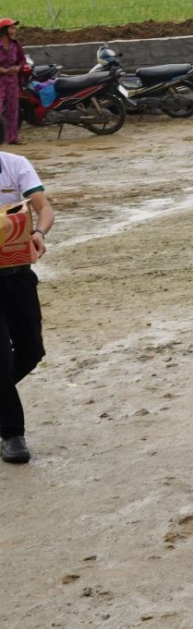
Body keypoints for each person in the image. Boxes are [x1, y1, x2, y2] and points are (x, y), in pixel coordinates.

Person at [0, 149, 54, 464]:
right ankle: (12, 433)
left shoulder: (15, 165)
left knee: (32, 350)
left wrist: (38, 232)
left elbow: (43, 207)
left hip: (18, 273)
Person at [0, 20, 25, 145]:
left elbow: (22, 60)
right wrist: (3, 70)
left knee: (13, 109)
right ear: (4, 30)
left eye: (14, 28)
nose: (14, 31)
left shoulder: (16, 45)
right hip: (1, 79)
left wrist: (18, 68)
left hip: (12, 81)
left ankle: (12, 137)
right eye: (11, 28)